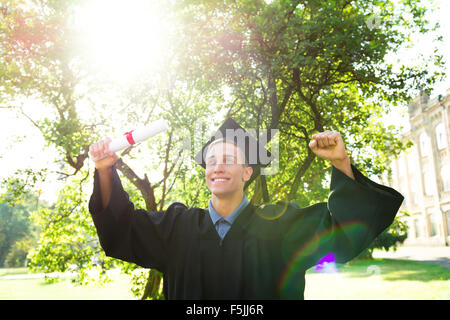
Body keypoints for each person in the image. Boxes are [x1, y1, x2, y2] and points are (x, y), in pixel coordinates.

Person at [88, 118, 403, 299]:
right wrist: (104, 170)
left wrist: (340, 161)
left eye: (228, 160)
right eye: (211, 161)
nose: (217, 167)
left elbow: (344, 230)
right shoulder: (176, 227)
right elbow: (120, 229)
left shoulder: (284, 225)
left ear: (247, 172)